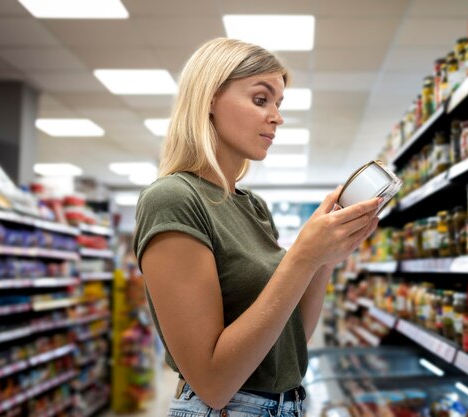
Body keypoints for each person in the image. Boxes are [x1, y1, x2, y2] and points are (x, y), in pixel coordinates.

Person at [133, 37, 380, 417]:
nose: (277, 117)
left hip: (288, 404)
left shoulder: (252, 206)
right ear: (210, 99)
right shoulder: (173, 199)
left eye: (279, 104)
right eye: (261, 99)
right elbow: (213, 383)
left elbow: (288, 339)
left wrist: (325, 260)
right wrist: (301, 256)